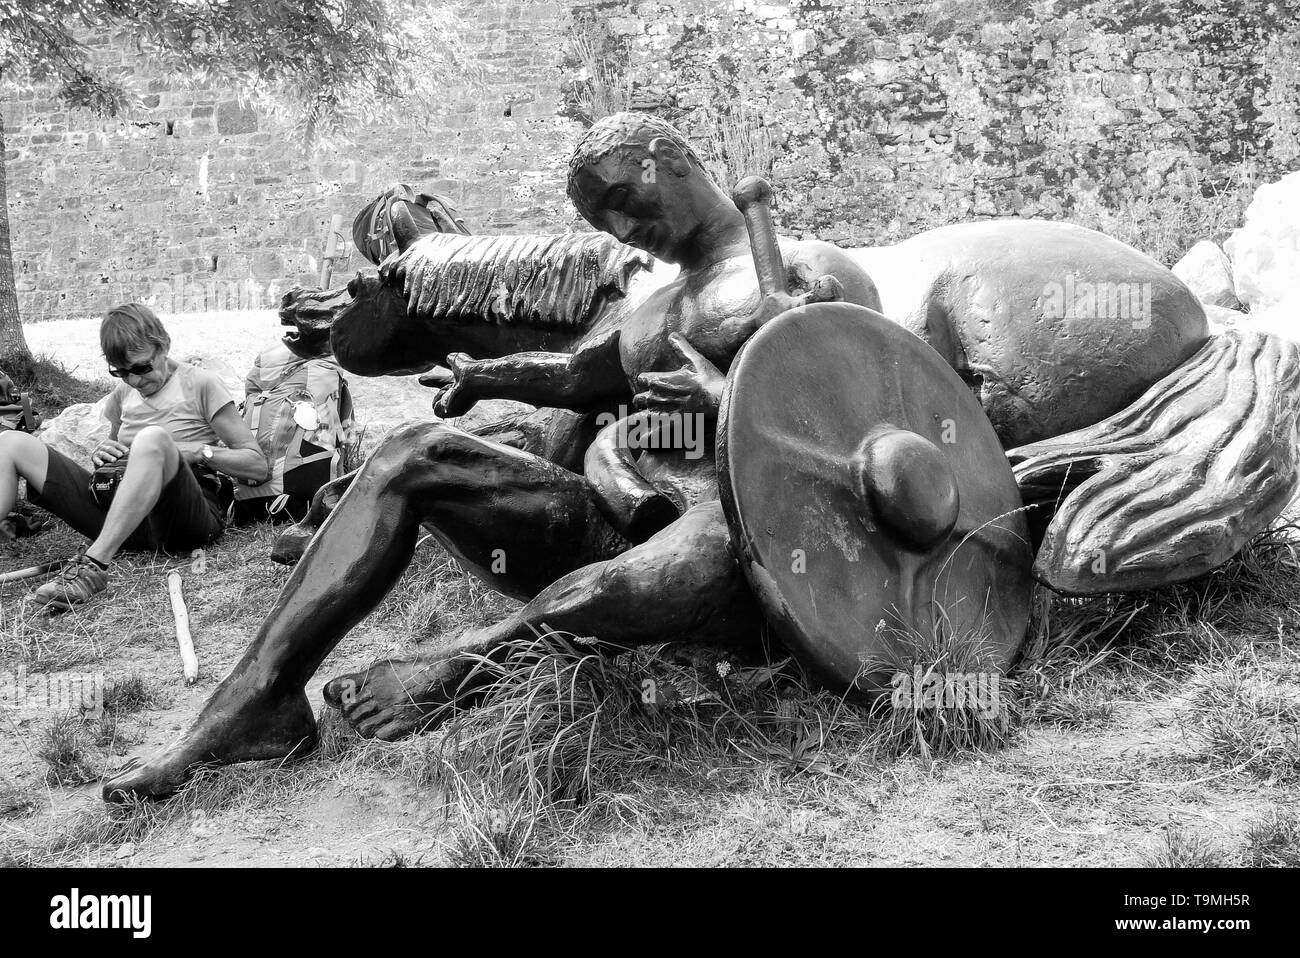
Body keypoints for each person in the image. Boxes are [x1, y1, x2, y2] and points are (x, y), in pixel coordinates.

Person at [103, 112, 879, 801]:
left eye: (619, 198)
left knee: (680, 555)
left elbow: (866, 422)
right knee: (415, 451)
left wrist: (720, 400)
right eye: (597, 218)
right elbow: (577, 375)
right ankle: (257, 703)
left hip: (753, 542)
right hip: (626, 520)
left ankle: (463, 668)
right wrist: (482, 376)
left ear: (663, 158)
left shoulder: (811, 268)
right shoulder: (654, 308)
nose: (616, 227)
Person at [0, 304, 268, 610]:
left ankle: (93, 567)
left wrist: (196, 451)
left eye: (141, 368)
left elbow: (257, 466)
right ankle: (105, 547)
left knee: (152, 438)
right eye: (121, 371)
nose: (135, 381)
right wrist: (103, 452)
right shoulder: (122, 395)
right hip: (122, 519)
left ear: (163, 345)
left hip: (182, 521)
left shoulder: (201, 384)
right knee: (11, 442)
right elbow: (117, 452)